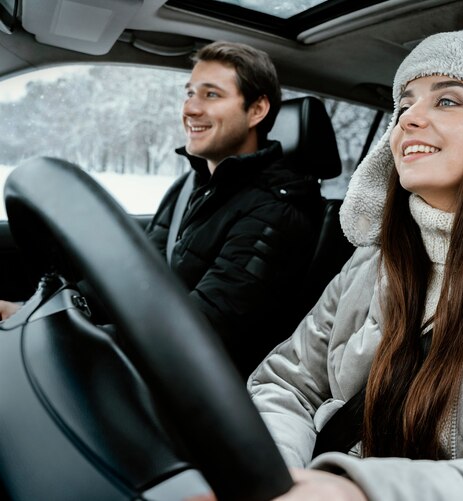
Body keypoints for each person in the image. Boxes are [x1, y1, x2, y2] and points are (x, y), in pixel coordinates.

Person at [198, 30, 463, 500]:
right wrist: (272, 475)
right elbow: (287, 384)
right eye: (404, 105)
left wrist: (356, 493)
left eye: (446, 101)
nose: (409, 120)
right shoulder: (370, 263)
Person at [1, 41, 323, 378]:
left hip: (197, 394)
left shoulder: (277, 211)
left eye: (211, 95)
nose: (191, 109)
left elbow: (202, 334)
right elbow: (132, 277)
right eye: (189, 94)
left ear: (256, 111)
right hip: (152, 363)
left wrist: (62, 339)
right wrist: (33, 315)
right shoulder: (191, 186)